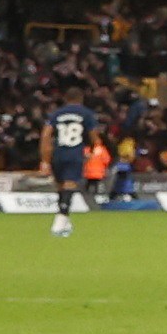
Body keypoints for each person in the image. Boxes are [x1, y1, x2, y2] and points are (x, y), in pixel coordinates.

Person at [40, 96, 92, 237]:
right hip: (75, 153)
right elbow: (94, 134)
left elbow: (46, 135)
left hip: (58, 153)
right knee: (69, 184)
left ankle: (65, 221)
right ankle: (60, 219)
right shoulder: (86, 113)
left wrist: (45, 160)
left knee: (60, 186)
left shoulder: (56, 113)